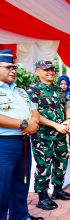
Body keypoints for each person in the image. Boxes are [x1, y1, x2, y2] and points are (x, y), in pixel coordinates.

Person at [0, 49, 43, 220]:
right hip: (4, 144)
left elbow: (34, 111)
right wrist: (24, 124)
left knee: (21, 184)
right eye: (8, 67)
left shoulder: (21, 91)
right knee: (2, 189)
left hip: (24, 142)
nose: (13, 70)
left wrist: (33, 122)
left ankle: (21, 216)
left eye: (14, 67)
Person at [26, 60, 70, 211]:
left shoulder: (59, 89)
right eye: (46, 69)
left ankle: (58, 190)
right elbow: (35, 115)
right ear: (37, 71)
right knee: (43, 166)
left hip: (60, 135)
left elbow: (67, 106)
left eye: (52, 69)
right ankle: (43, 197)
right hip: (42, 137)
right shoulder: (32, 90)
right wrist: (56, 125)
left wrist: (67, 119)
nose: (50, 72)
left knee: (61, 161)